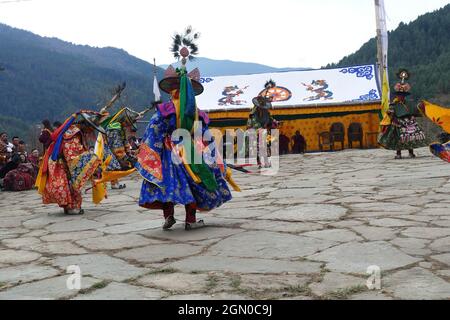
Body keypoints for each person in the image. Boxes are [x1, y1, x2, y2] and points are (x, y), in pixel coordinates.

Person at [136, 32, 239, 231]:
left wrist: (151, 153)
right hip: (191, 150)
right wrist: (214, 157)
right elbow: (205, 136)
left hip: (168, 152)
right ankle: (190, 220)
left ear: (171, 90)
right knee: (194, 181)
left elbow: (153, 132)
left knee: (167, 183)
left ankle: (169, 216)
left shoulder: (163, 112)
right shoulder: (197, 114)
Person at [35, 111, 104, 215]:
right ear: (86, 125)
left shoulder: (73, 131)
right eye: (91, 128)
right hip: (61, 162)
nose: (91, 131)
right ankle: (72, 207)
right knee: (71, 184)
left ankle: (70, 207)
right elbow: (73, 156)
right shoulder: (72, 134)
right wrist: (92, 160)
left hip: (61, 161)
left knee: (69, 184)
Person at [378, 69, 428, 159]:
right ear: (396, 95)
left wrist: (420, 107)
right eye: (399, 95)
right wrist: (393, 118)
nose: (400, 96)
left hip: (409, 122)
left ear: (404, 95)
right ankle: (398, 154)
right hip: (398, 123)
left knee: (410, 137)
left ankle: (411, 152)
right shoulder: (393, 104)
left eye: (402, 95)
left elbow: (415, 110)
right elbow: (389, 113)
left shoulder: (409, 103)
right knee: (398, 139)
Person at [247, 96, 274, 168]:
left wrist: (274, 122)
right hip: (255, 131)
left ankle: (266, 162)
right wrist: (259, 128)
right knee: (258, 148)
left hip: (264, 131)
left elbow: (270, 119)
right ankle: (260, 163)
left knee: (266, 146)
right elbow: (253, 121)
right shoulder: (253, 113)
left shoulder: (266, 112)